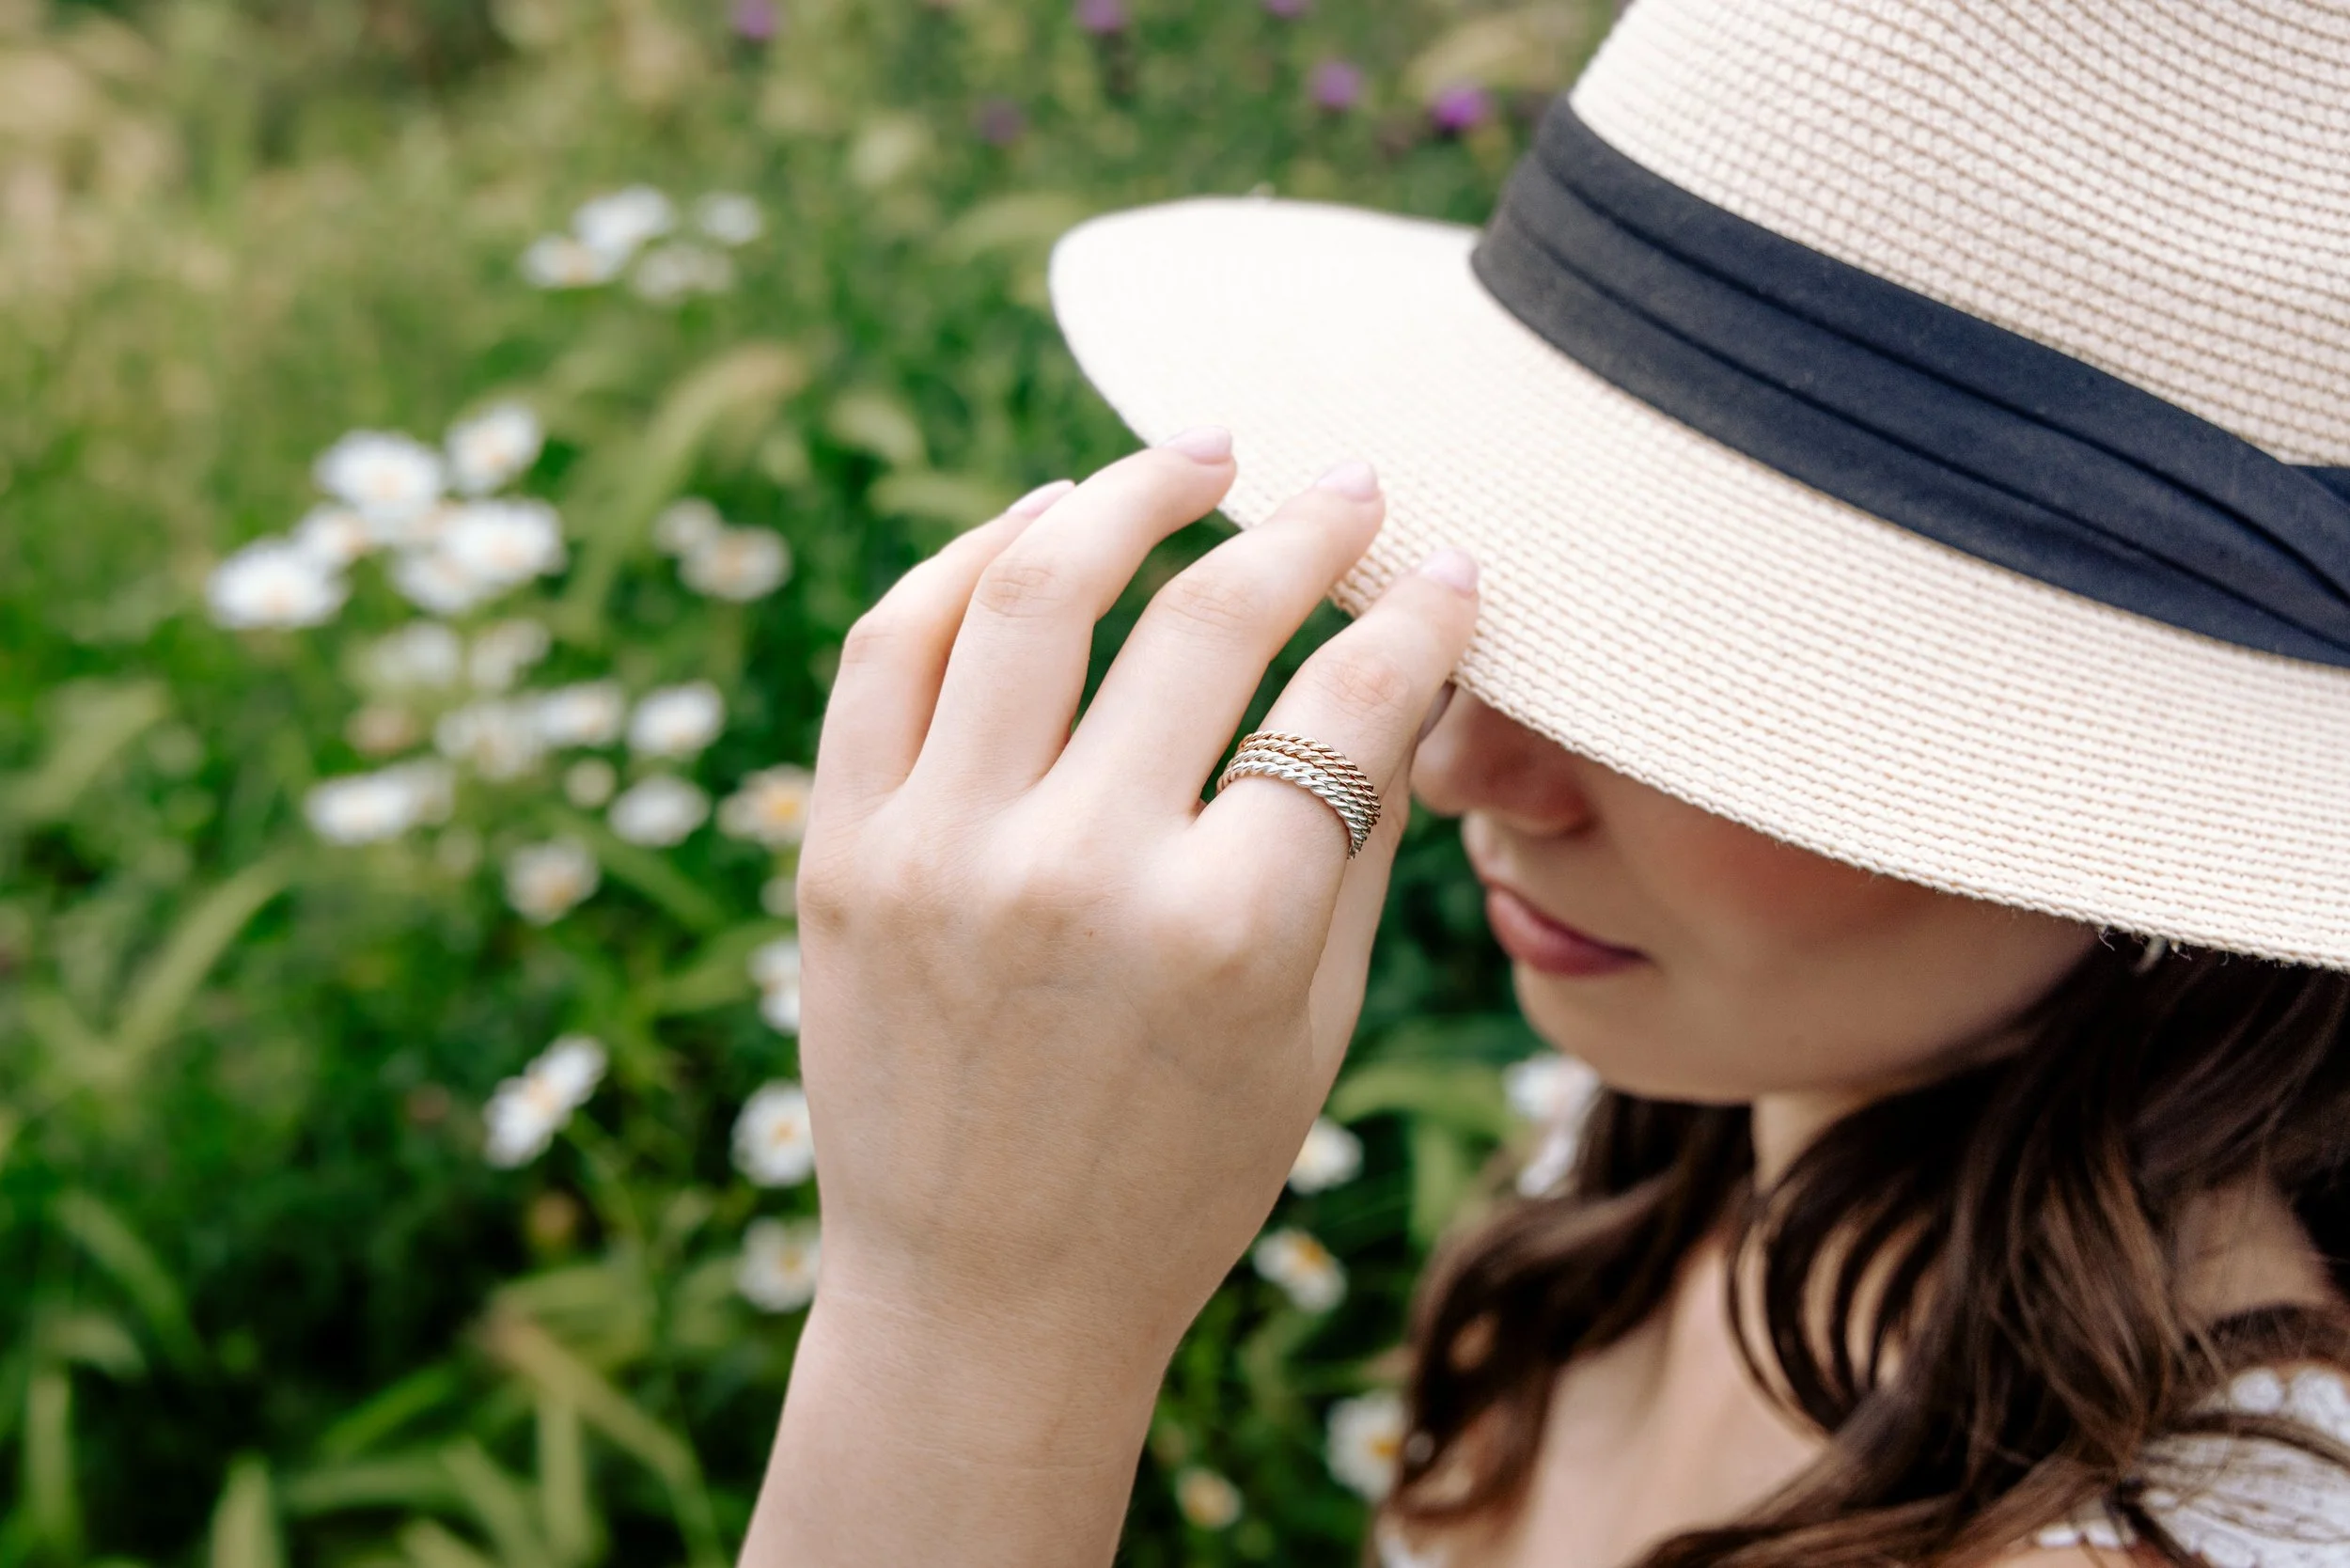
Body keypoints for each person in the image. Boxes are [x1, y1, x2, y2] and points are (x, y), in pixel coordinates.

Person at [744, 2, 2350, 1563]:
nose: (1459, 765)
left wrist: (977, 1324)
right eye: (1527, 600)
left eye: (1694, 677)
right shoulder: (1655, 1153)